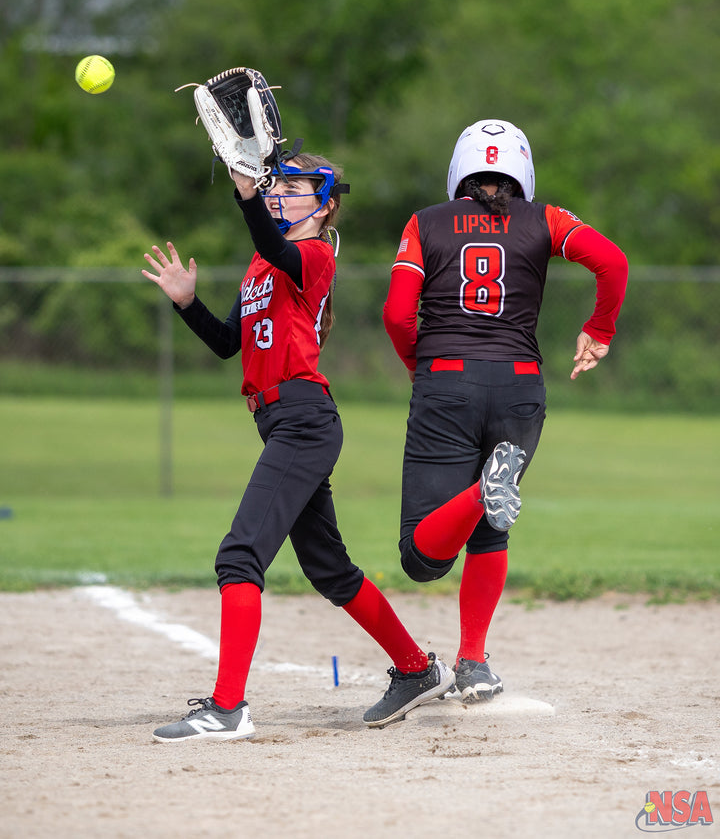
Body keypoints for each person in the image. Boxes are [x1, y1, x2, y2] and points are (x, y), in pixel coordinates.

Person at [141, 152, 454, 741]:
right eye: (275, 186)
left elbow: (274, 240)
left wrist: (245, 194)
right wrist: (186, 303)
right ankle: (418, 670)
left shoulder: (311, 255)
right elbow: (227, 343)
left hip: (303, 422)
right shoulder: (263, 265)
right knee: (331, 570)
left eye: (295, 187)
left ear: (326, 203)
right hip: (283, 421)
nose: (280, 194)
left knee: (239, 556)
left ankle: (228, 709)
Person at [382, 120, 628, 703]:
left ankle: (479, 492)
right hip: (520, 384)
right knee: (491, 531)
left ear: (459, 170)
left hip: (446, 382)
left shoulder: (425, 222)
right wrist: (599, 328)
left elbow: (397, 315)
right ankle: (473, 662)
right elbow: (612, 263)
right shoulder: (546, 218)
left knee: (421, 555)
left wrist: (422, 364)